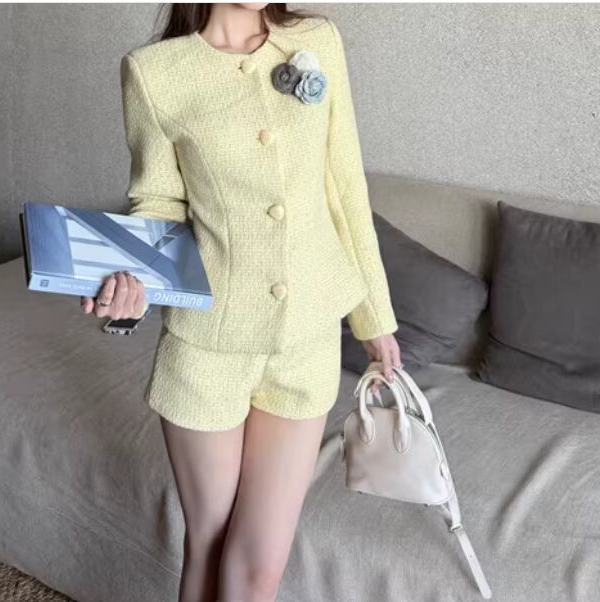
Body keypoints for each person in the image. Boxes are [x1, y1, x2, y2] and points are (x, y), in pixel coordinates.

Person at [82, 3, 402, 601]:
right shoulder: (154, 72)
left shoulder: (317, 40)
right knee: (209, 543)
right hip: (208, 346)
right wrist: (133, 289)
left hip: (307, 341)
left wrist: (374, 317)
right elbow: (158, 205)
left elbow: (345, 187)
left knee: (259, 567)